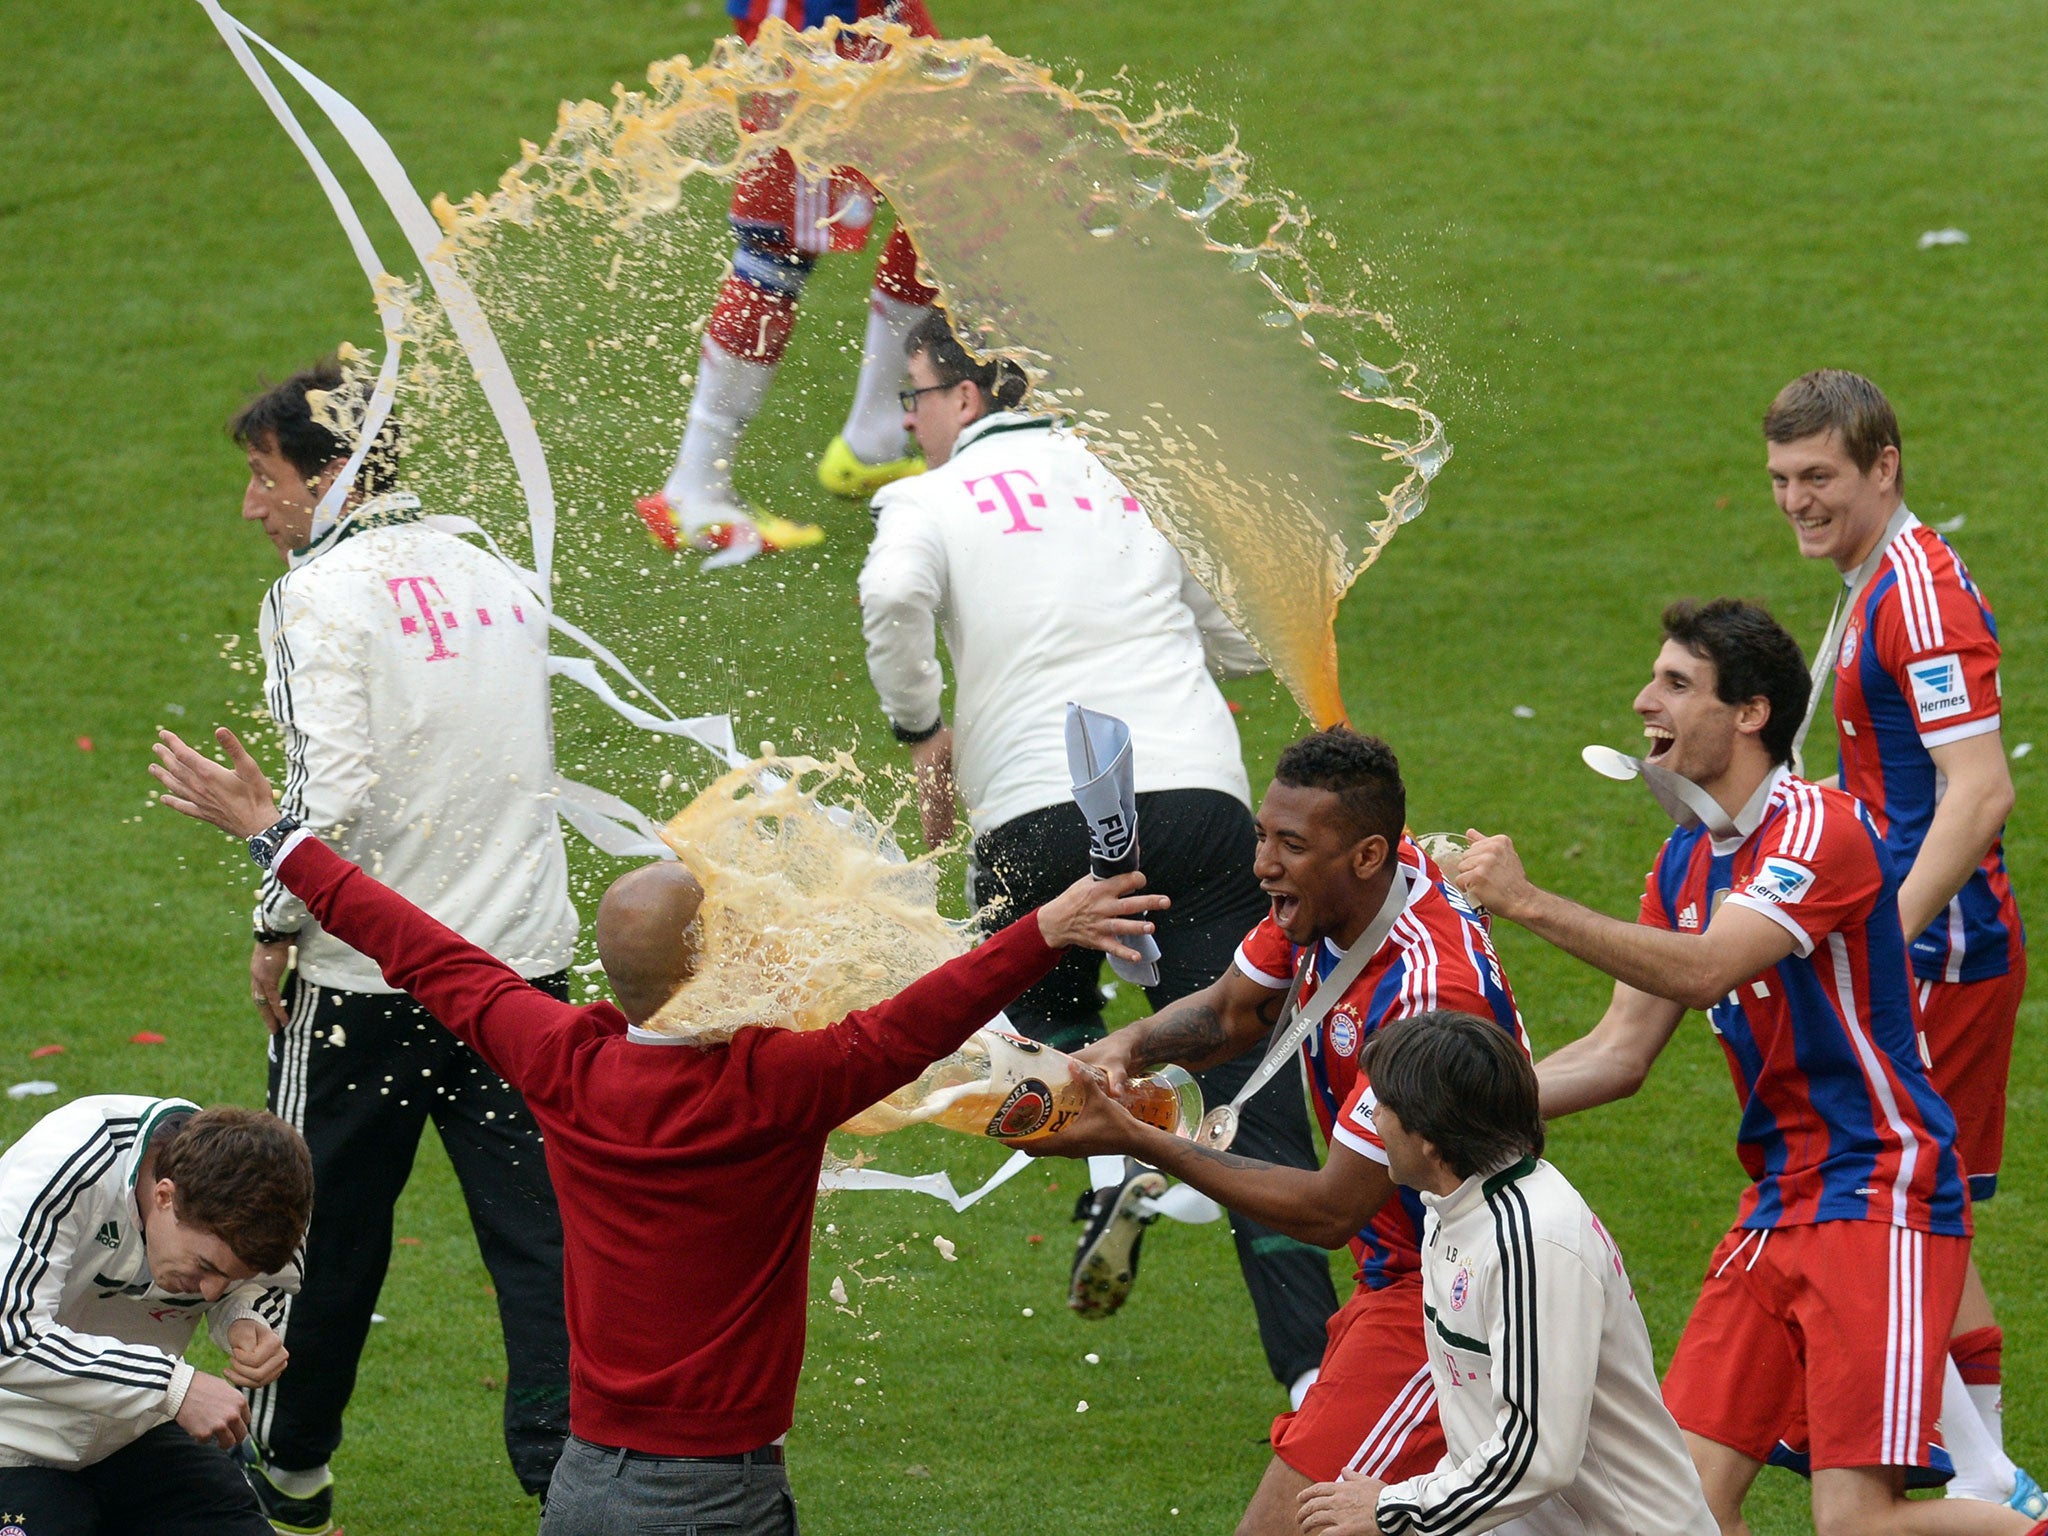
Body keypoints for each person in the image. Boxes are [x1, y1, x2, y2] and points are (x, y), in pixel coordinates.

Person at [150, 723, 1168, 1536]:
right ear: (705, 964)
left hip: (586, 1488)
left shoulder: (561, 1060)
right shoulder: (774, 1086)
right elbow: (918, 1021)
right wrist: (1046, 929)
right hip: (708, 1500)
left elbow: (421, 951)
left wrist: (275, 837)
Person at [1458, 599, 2038, 1536]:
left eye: (1677, 685)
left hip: (1870, 1190)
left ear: (1751, 714)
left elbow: (1706, 968)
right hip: (1779, 1202)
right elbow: (1618, 1051)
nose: (1646, 699)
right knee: (1679, 1508)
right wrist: (1463, 1107)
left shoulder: (1819, 829)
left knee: (1857, 1522)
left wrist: (1526, 902)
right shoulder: (1685, 860)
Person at [857, 307, 1339, 1397]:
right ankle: (1313, 1375)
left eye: (914, 400)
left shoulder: (926, 499)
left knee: (1031, 1030)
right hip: (1198, 800)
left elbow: (890, 596)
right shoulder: (1131, 470)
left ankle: (1121, 1154)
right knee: (1248, 1068)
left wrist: (918, 726)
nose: (910, 423)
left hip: (1037, 811)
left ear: (964, 397)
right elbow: (1232, 632)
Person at [230, 358, 577, 1530]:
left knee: (310, 1232)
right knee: (547, 1241)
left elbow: (333, 795)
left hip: (367, 980)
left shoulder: (316, 596)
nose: (253, 506)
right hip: (522, 972)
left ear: (326, 473)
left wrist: (275, 925)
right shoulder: (500, 574)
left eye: (263, 475)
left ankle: (290, 1462)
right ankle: (571, 1475)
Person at [1048, 727, 1528, 1536]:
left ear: (1369, 855)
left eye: (1289, 845)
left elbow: (1330, 1209)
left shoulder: (1423, 996)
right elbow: (1233, 1010)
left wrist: (1144, 1141)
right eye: (1263, 835)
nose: (1263, 863)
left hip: (1452, 1302)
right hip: (1404, 1279)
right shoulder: (1334, 899)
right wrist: (1125, 1046)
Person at [1763, 369, 2035, 1512]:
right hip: (1922, 951)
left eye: (1817, 476)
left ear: (1882, 468)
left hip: (1939, 960)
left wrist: (1878, 939)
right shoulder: (1871, 578)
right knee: (1933, 1229)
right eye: (1779, 479)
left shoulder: (1914, 598)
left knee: (1892, 1218)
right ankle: (1987, 1478)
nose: (1795, 501)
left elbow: (1977, 797)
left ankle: (1989, 1485)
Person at [1288, 1012, 1717, 1536]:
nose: (1372, 1121)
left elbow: (1537, 1455)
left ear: (1427, 1137)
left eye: (1383, 1107)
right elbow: (1482, 1427)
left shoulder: (1532, 1242)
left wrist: (1392, 1510)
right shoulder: (1452, 1210)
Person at [633, 0, 943, 566]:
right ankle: (694, 492)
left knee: (949, 198)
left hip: (863, 18)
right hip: (821, 29)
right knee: (777, 251)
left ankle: (874, 442)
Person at [0, 1098, 311, 1536]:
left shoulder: (270, 1202)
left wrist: (245, 1317)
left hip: (132, 1434)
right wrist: (173, 1386)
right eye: (205, 1267)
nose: (209, 1291)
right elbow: (9, 1337)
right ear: (165, 1195)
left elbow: (266, 1283)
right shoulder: (69, 1162)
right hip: (12, 1440)